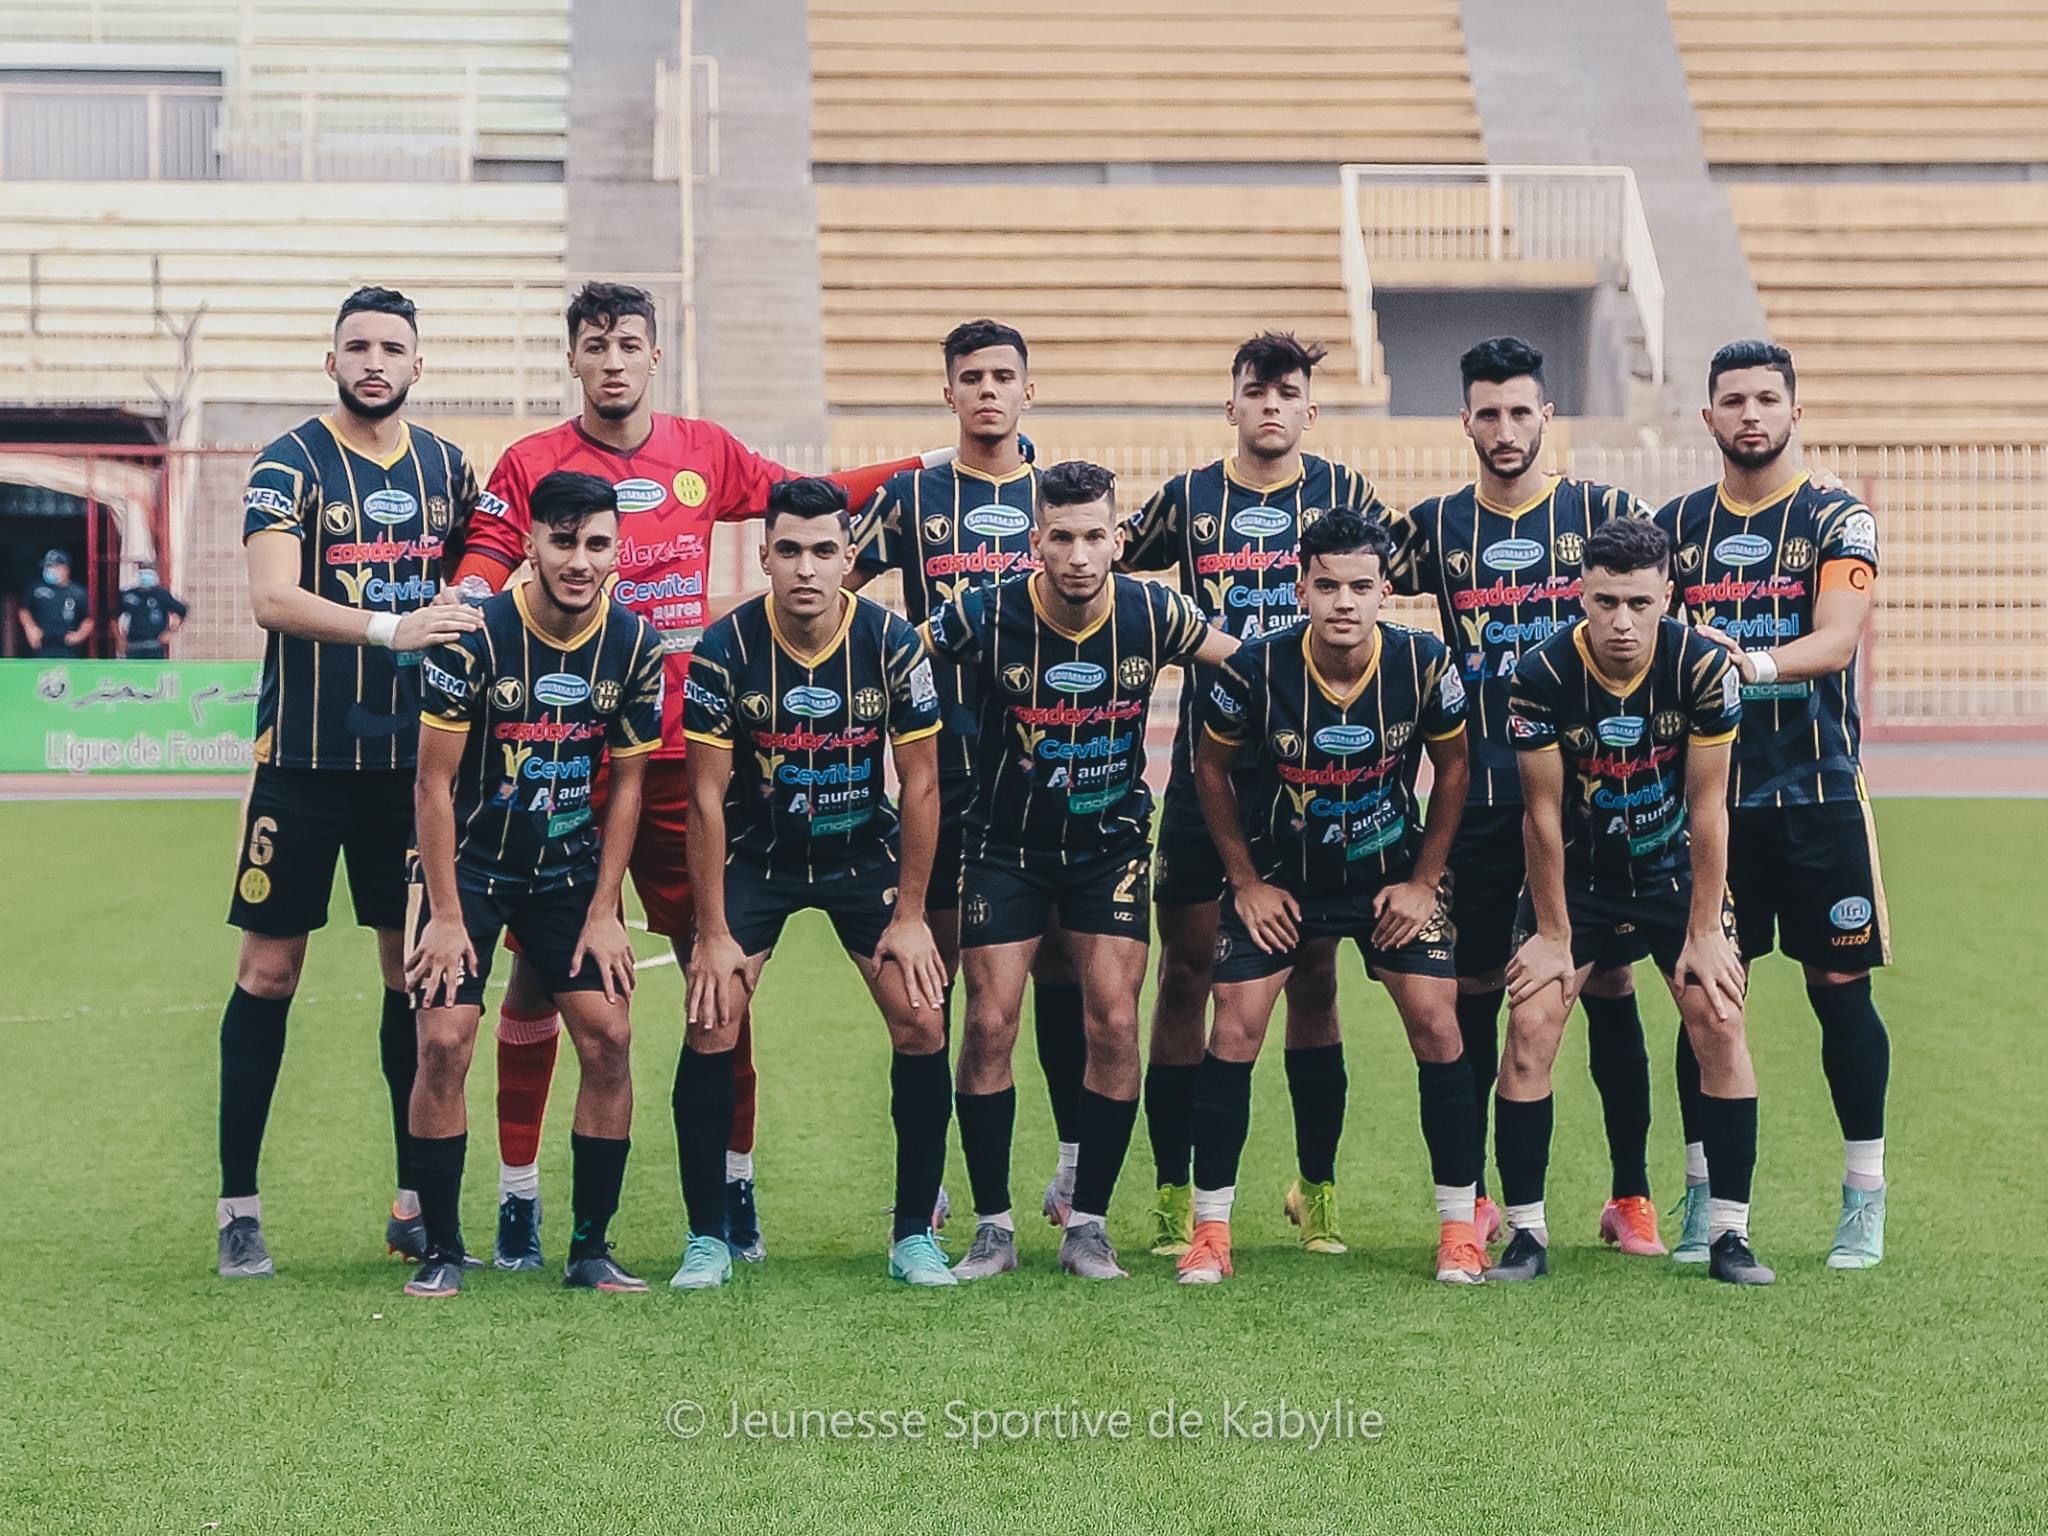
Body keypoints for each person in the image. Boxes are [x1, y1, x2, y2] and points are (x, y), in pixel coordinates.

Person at [449, 281, 953, 1270]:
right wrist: (462, 603)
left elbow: (815, 495)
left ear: (654, 354)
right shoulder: (529, 462)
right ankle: (518, 1197)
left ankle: (732, 1190)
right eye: (595, 345)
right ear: (573, 357)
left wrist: (932, 462)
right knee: (537, 977)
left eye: (628, 344)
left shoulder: (705, 451)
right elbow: (489, 550)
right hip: (564, 755)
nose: (612, 361)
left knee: (717, 973)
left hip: (686, 757)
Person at [216, 286, 485, 1278]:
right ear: (331, 360)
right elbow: (271, 597)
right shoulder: (288, 462)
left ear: (418, 363)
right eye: (358, 346)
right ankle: (238, 1206)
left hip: (411, 776)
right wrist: (389, 627)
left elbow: (480, 581)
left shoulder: (449, 469)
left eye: (392, 348)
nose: (376, 362)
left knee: (409, 980)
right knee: (268, 973)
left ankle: (416, 1202)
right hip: (300, 767)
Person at [1382, 337, 1665, 1257]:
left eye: (1520, 412)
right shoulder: (1435, 527)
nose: (1505, 430)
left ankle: (1631, 1195)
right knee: (1471, 987)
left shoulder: (1603, 512)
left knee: (1608, 980)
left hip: (1592, 797)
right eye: (1488, 414)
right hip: (1480, 794)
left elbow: (1673, 586)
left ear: (1547, 416)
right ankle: (1472, 1201)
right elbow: (1338, 563)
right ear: (1464, 421)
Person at [921, 460, 1236, 1282]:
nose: (1078, 555)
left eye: (1094, 536)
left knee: (1116, 1024)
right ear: (1036, 542)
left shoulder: (1155, 611)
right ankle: (992, 1228)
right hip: (1005, 847)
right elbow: (892, 660)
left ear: (1118, 539)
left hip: (1110, 847)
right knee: (990, 1023)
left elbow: (1250, 666)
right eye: (1060, 537)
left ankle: (1088, 1225)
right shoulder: (983, 614)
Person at [1120, 332, 1390, 1259]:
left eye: (1287, 392)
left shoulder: (1347, 496)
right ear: (1229, 404)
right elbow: (1104, 569)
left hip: (1317, 781)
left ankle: (1317, 1190)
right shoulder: (1189, 499)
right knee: (1186, 972)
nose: (1271, 406)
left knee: (1313, 973)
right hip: (1214, 775)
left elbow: (1401, 579)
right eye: (1255, 391)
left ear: (1311, 408)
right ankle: (1173, 1191)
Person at [1181, 510, 1484, 1286]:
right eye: (1326, 586)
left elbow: (1454, 767)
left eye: (1359, 586)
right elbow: (1209, 769)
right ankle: (1210, 1233)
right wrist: (1247, 883)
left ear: (1385, 591)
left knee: (1437, 1022)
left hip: (1388, 880)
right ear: (1301, 590)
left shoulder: (1423, 662)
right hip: (1285, 880)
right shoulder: (1254, 667)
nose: (1343, 601)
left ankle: (1459, 1232)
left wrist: (1424, 882)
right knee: (1236, 1023)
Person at [673, 477, 953, 1290]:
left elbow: (922, 782)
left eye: (823, 550)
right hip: (757, 855)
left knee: (923, 1020)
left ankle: (913, 1237)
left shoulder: (891, 643)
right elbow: (703, 798)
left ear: (848, 557)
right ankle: (707, 1240)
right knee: (711, 1019)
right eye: (789, 550)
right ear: (763, 555)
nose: (806, 567)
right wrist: (712, 932)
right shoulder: (722, 649)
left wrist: (910, 914)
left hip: (861, 852)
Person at [1656, 339, 1891, 1269]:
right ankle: (1702, 1196)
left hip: (1819, 795)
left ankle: (1864, 1195)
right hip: (1711, 800)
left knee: (1840, 991)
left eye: (1766, 398)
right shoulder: (1675, 526)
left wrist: (1742, 664)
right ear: (1707, 416)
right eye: (1733, 400)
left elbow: (1836, 642)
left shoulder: (1838, 516)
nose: (1750, 414)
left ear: (1796, 411)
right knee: (1706, 995)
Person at [1492, 518, 1774, 1286]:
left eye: (1639, 604)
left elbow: (1709, 808)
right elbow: (1540, 814)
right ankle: (1525, 1235)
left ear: (1667, 597)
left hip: (1671, 871)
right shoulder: (1541, 674)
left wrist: (1706, 928)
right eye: (1606, 602)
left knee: (1719, 1017)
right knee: (1531, 1023)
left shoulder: (1703, 669)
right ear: (1581, 595)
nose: (1622, 621)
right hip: (1577, 878)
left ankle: (1730, 1235)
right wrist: (1553, 934)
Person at [848, 318, 1084, 1229]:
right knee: (930, 976)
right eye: (972, 377)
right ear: (947, 391)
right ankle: (932, 1172)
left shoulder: (1060, 499)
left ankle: (1071, 1170)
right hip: (941, 769)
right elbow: (837, 591)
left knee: (1058, 967)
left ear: (1030, 389)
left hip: (1050, 768)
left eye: (1003, 376)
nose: (989, 390)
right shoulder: (911, 498)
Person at [403, 471, 663, 1298]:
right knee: (444, 1042)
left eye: (597, 544)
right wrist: (446, 916)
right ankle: (444, 1248)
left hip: (566, 872)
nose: (580, 561)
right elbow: (433, 785)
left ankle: (589, 1249)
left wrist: (605, 910)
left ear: (617, 552)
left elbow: (627, 787)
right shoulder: (474, 638)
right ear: (530, 544)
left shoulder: (636, 645)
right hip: (468, 870)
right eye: (563, 541)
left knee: (609, 1038)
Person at [20, 549, 91, 658]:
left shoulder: (78, 592)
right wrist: (30, 628)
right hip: (42, 643)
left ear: (66, 569)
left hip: (67, 645)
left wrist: (79, 635)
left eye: (53, 566)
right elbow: (24, 610)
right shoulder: (36, 589)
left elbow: (88, 619)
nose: (49, 570)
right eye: (47, 567)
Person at [118, 564, 187, 659]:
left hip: (155, 647)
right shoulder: (129, 595)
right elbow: (113, 615)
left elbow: (182, 611)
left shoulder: (161, 595)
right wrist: (120, 638)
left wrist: (171, 631)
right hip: (133, 646)